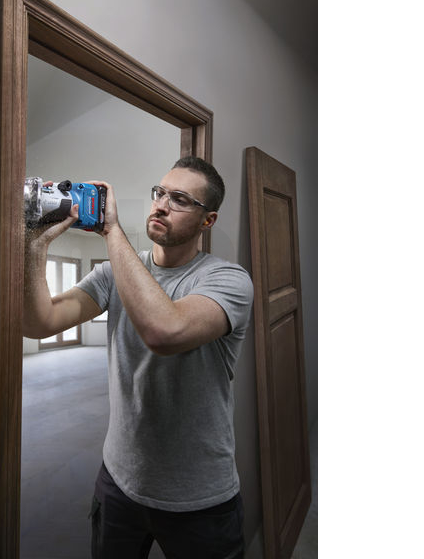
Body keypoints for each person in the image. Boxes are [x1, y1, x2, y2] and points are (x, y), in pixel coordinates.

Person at [23, 156, 254, 558]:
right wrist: (37, 247)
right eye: (160, 193)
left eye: (180, 199)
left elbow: (164, 331)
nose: (161, 205)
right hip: (119, 480)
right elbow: (40, 323)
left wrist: (111, 230)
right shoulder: (113, 274)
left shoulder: (227, 279)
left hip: (199, 496)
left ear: (208, 220)